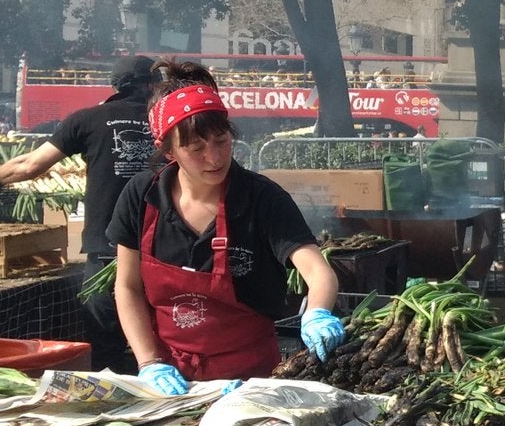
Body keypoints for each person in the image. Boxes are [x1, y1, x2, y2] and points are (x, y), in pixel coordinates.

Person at [109, 61, 347, 391]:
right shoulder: (141, 195)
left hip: (251, 376)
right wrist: (149, 362)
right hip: (171, 378)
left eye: (221, 141)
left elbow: (317, 270)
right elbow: (128, 287)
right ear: (167, 151)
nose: (214, 157)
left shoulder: (261, 197)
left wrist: (318, 312)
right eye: (196, 148)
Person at [0, 54, 159, 371]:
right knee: (162, 328)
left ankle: (114, 389)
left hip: (107, 244)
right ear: (152, 86)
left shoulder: (87, 119)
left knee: (104, 332)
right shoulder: (169, 122)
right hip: (163, 245)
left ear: (114, 86)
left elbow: (31, 165)